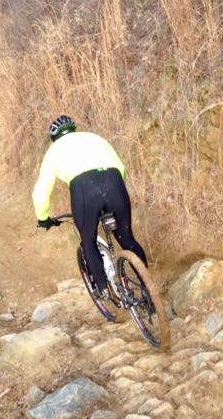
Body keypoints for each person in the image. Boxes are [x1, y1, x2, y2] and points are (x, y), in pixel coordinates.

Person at [32, 115, 147, 300]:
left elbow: (41, 192)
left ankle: (103, 289)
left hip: (84, 189)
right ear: (74, 129)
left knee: (88, 240)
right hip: (114, 182)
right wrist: (115, 194)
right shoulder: (95, 138)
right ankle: (147, 288)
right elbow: (121, 167)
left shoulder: (54, 151)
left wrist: (43, 218)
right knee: (126, 237)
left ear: (54, 137)